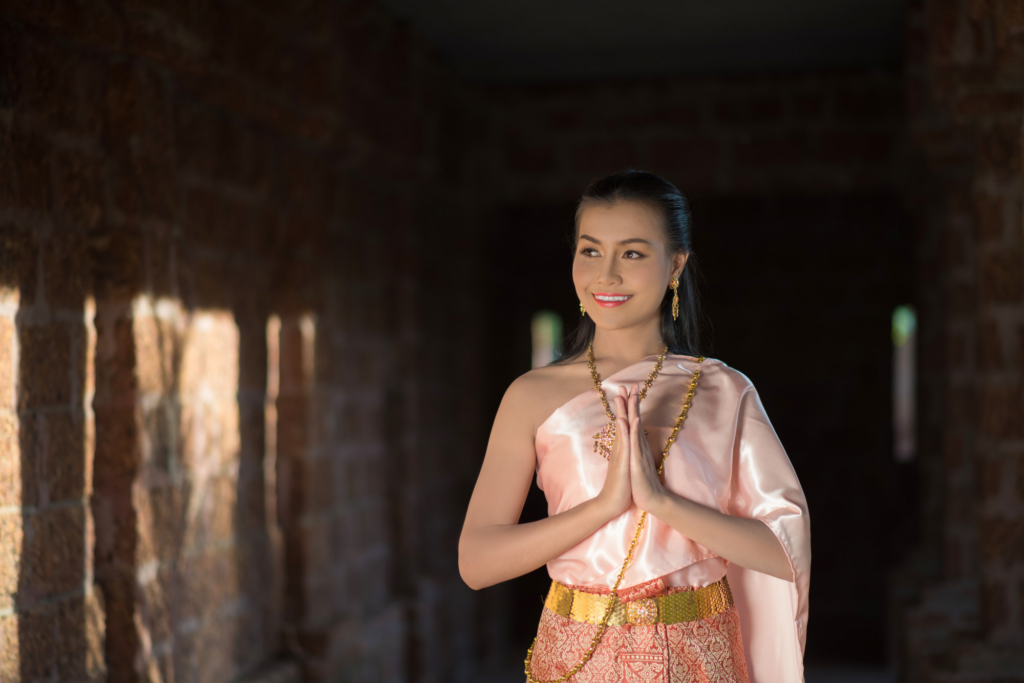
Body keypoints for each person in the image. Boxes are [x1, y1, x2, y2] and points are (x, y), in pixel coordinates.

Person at [459, 170, 811, 683]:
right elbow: (476, 562)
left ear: (676, 265)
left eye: (632, 253)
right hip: (576, 656)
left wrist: (662, 503)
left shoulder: (723, 391)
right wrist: (604, 506)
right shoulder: (531, 395)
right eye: (590, 251)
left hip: (699, 657)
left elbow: (783, 552)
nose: (606, 275)